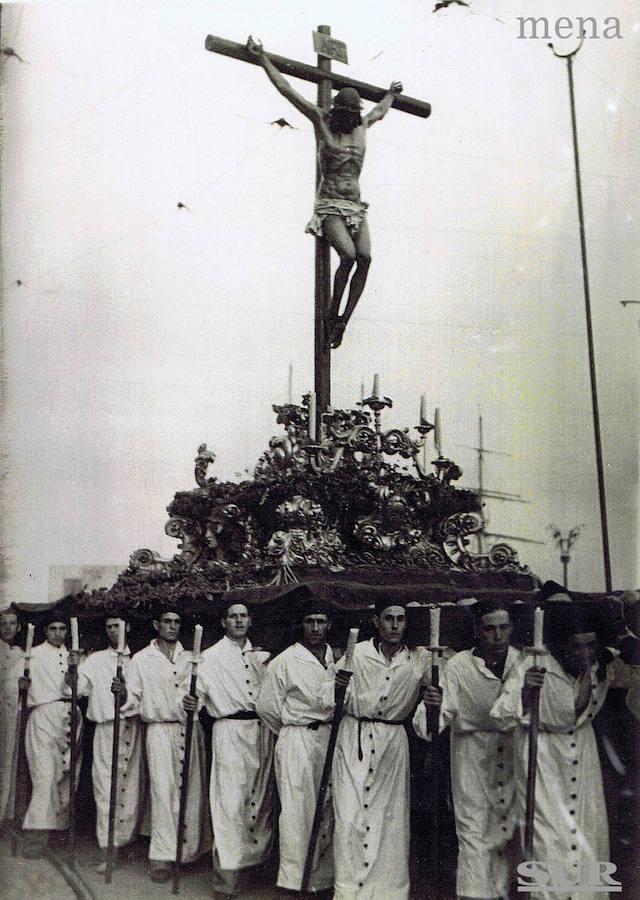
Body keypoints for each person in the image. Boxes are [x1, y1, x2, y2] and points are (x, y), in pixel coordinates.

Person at [246, 35, 403, 349]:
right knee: (348, 255)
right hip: (329, 204)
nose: (350, 118)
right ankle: (332, 314)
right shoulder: (322, 120)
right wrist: (263, 58)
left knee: (366, 257)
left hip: (355, 205)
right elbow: (287, 90)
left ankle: (343, 321)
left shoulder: (362, 126)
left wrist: (390, 94)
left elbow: (380, 111)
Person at [491, 604, 631, 900]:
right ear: (560, 646)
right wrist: (525, 694)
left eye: (591, 645)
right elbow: (500, 715)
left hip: (583, 754)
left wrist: (619, 646)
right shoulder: (534, 661)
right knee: (548, 838)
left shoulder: (602, 664)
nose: (584, 653)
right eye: (576, 647)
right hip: (542, 756)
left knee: (587, 835)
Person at [417, 600, 521, 900]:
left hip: (512, 753)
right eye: (490, 629)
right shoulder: (460, 665)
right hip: (471, 755)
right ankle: (474, 896)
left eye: (504, 628)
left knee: (505, 830)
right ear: (478, 631)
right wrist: (431, 707)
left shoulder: (521, 662)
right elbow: (436, 720)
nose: (497, 636)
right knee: (474, 830)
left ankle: (501, 893)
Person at [331, 600, 430, 899]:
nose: (395, 625)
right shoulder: (356, 652)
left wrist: (430, 704)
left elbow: (441, 690)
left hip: (393, 741)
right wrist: (337, 687)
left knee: (391, 818)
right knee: (349, 815)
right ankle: (348, 890)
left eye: (401, 619)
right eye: (389, 619)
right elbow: (330, 694)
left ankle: (389, 891)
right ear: (377, 621)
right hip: (354, 736)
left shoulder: (419, 658)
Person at [256, 600, 338, 894]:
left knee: (329, 806)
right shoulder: (285, 661)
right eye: (309, 621)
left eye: (321, 621)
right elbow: (267, 708)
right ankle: (294, 881)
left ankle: (323, 879)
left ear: (329, 624)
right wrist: (293, 731)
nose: (315, 628)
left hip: (330, 737)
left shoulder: (338, 659)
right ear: (301, 625)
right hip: (297, 739)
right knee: (296, 810)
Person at [197, 601, 275, 898]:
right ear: (223, 622)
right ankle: (226, 877)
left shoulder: (263, 656)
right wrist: (192, 702)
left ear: (250, 620)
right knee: (229, 801)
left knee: (260, 799)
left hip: (261, 729)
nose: (239, 621)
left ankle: (254, 866)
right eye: (233, 616)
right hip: (229, 730)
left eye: (244, 616)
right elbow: (195, 696)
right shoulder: (210, 657)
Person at [126, 607, 210, 883]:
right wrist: (120, 694)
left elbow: (205, 693)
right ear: (156, 624)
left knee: (192, 789)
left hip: (189, 729)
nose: (172, 626)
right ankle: (162, 856)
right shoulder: (141, 659)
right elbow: (131, 698)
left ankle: (188, 851)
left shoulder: (192, 658)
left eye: (176, 621)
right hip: (159, 730)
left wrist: (195, 702)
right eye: (167, 621)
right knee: (163, 791)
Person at [73, 613, 144, 872]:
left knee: (131, 787)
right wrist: (72, 670)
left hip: (132, 728)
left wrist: (125, 694)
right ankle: (108, 849)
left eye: (118, 626)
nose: (114, 631)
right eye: (109, 627)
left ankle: (125, 844)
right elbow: (75, 689)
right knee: (106, 787)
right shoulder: (96, 660)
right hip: (106, 728)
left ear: (128, 626)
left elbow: (142, 696)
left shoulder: (138, 660)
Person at [20, 613, 83, 858]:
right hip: (44, 714)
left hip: (70, 713)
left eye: (62, 629)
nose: (58, 633)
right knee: (45, 773)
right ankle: (36, 834)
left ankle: (56, 829)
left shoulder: (75, 655)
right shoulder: (33, 654)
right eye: (53, 629)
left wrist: (74, 673)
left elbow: (83, 688)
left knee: (68, 774)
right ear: (45, 631)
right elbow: (13, 683)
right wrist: (20, 685)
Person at [0, 607, 23, 823]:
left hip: (8, 716)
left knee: (6, 761)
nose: (7, 628)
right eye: (3, 623)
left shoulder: (21, 654)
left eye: (12, 623)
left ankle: (3, 815)